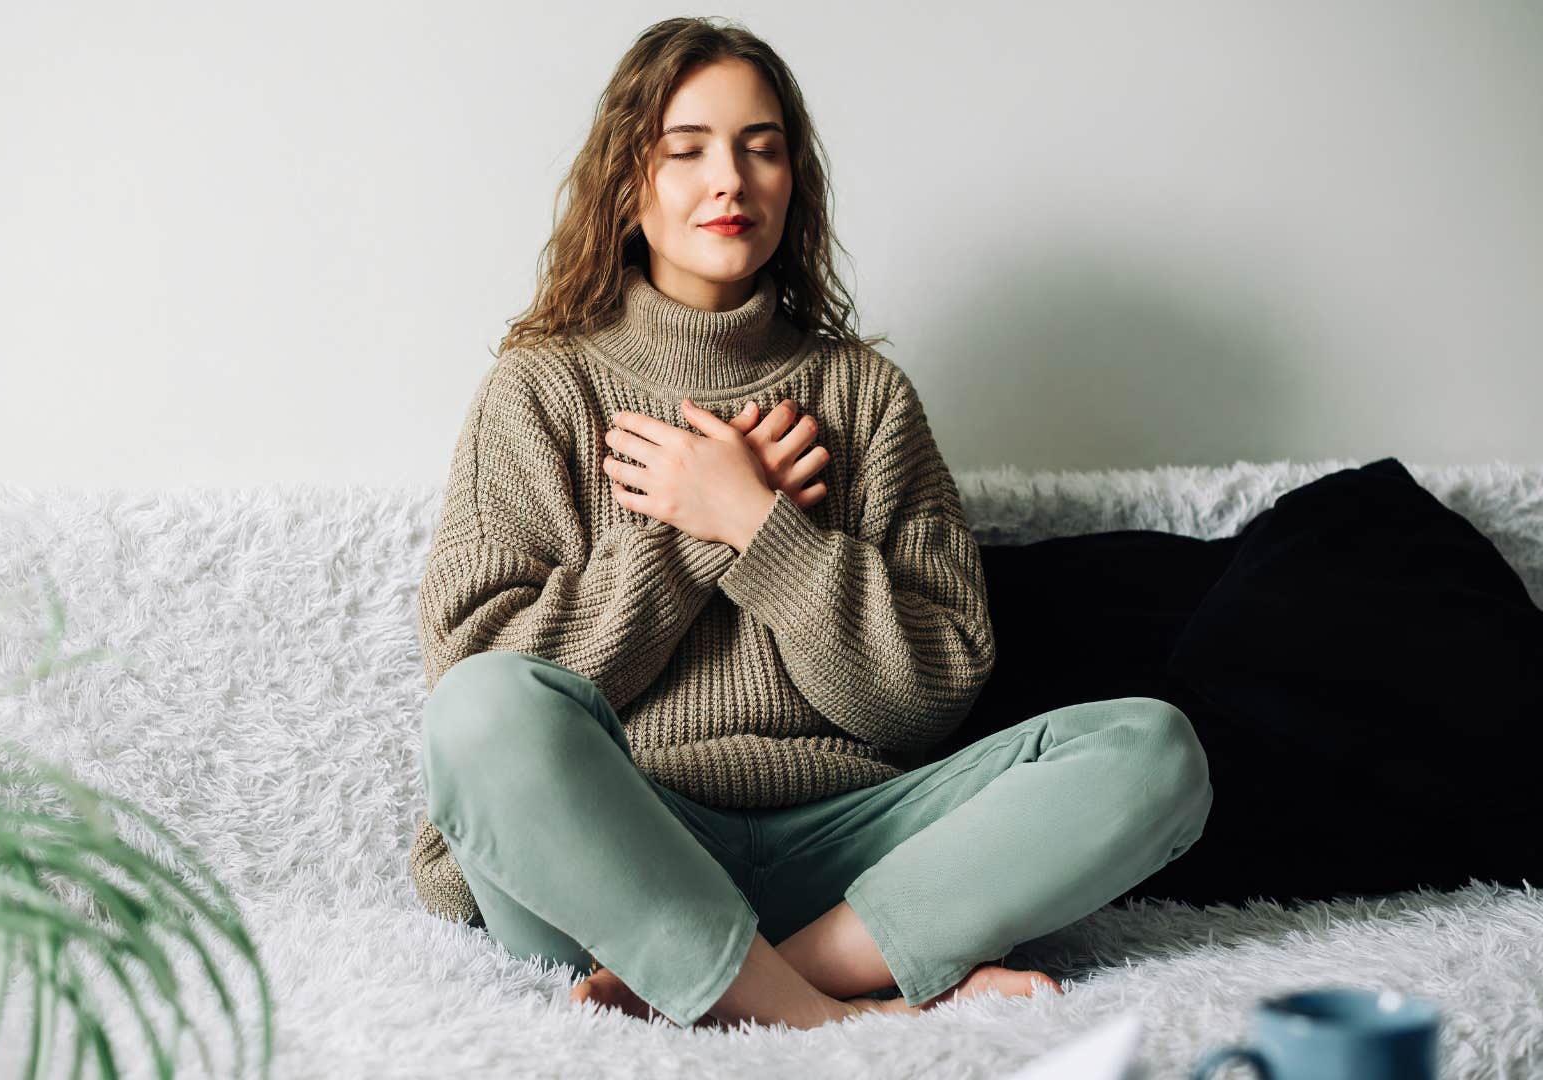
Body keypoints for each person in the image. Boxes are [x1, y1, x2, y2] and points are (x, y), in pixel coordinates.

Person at [408, 16, 1213, 1031]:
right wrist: (687, 536)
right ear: (626, 182)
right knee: (477, 709)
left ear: (795, 180)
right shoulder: (540, 389)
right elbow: (477, 675)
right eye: (686, 149)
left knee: (1155, 751)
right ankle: (838, 1011)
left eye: (762, 147)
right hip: (625, 859)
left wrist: (761, 527)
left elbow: (926, 697)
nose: (730, 180)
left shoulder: (866, 397)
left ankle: (754, 983)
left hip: (859, 854)